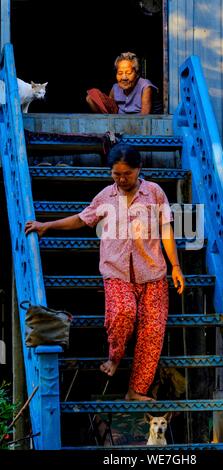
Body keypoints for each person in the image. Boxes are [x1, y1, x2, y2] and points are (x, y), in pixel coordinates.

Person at [25, 143, 185, 401]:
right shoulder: (105, 197)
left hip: (153, 272)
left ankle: (136, 390)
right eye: (116, 174)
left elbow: (166, 229)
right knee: (123, 312)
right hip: (116, 271)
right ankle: (114, 356)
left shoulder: (154, 192)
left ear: (138, 169)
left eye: (127, 174)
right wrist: (48, 225)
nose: (122, 179)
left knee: (152, 332)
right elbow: (82, 218)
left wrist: (176, 267)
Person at [86, 52, 158, 115]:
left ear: (137, 74)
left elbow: (145, 118)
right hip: (117, 125)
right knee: (91, 96)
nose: (124, 78)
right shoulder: (115, 88)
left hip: (137, 126)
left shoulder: (145, 86)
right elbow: (110, 110)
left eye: (128, 73)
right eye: (120, 73)